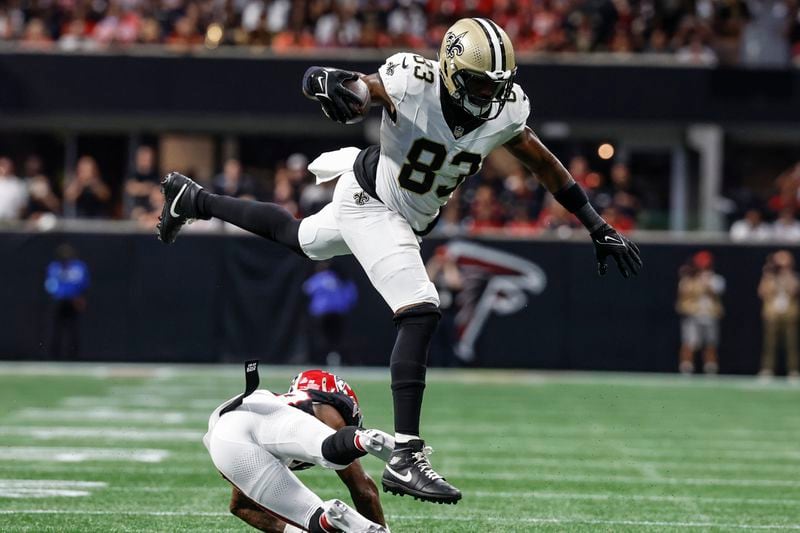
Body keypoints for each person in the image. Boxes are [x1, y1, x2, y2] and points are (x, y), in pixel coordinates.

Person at [158, 17, 642, 504]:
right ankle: (406, 456)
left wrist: (595, 223)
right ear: (450, 71)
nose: (488, 96)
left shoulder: (506, 110)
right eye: (478, 84)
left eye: (496, 86)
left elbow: (541, 161)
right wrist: (334, 85)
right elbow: (364, 88)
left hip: (385, 200)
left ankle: (193, 200)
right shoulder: (413, 80)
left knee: (299, 236)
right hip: (375, 201)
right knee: (421, 309)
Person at [204, 364, 393, 533]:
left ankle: (325, 522)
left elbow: (241, 507)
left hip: (223, 441)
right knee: (334, 453)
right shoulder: (321, 406)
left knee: (314, 518)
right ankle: (372, 443)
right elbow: (363, 490)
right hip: (250, 422)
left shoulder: (283, 406)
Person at [676, 251, 725, 374]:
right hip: (693, 315)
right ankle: (686, 368)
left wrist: (706, 282)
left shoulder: (716, 279)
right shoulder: (688, 280)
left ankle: (710, 369)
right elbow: (683, 295)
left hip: (710, 315)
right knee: (690, 343)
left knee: (710, 344)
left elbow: (718, 290)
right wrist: (694, 280)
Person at [758, 250, 799, 379]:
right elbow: (762, 292)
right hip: (772, 314)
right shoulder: (769, 277)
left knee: (792, 343)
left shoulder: (793, 276)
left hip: (789, 314)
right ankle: (767, 369)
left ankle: (793, 370)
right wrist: (768, 275)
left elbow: (794, 290)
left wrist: (787, 274)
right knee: (770, 344)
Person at [44, 244, 90, 359]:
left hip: (73, 301)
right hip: (59, 301)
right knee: (56, 329)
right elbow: (50, 284)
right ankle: (54, 356)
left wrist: (78, 296)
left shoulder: (79, 267)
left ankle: (73, 356)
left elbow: (84, 282)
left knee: (73, 329)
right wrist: (58, 293)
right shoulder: (54, 267)